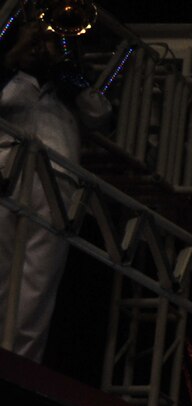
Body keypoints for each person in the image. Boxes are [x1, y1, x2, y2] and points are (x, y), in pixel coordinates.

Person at [0, 23, 110, 362]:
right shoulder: (8, 80)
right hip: (5, 173)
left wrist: (66, 70)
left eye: (48, 41)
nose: (41, 47)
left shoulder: (69, 92)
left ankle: (20, 370)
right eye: (36, 40)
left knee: (38, 284)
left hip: (56, 180)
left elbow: (101, 114)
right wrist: (14, 57)